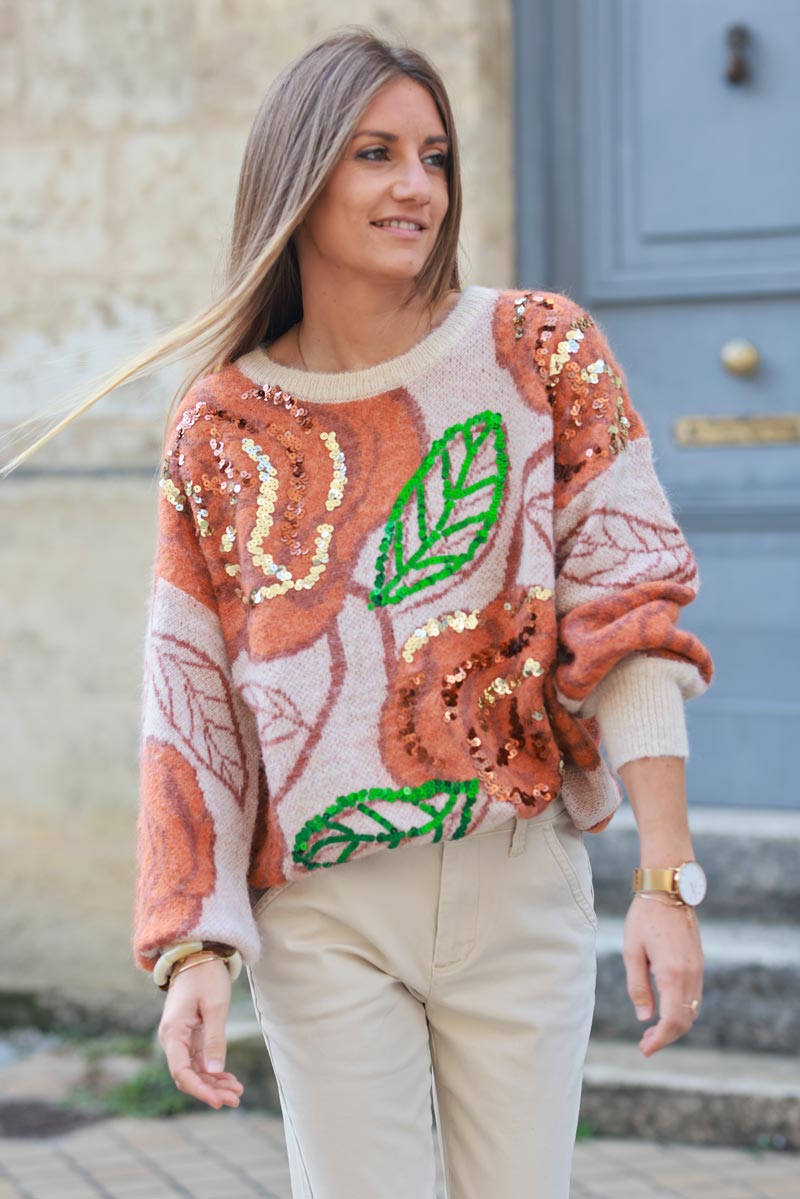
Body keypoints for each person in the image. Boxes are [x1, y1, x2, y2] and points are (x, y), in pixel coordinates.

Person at [3, 26, 713, 1199]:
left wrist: (664, 879)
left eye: (434, 155)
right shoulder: (220, 426)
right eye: (375, 152)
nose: (415, 186)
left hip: (516, 880)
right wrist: (195, 942)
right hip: (324, 913)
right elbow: (192, 699)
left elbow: (625, 609)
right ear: (301, 174)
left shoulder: (538, 350)